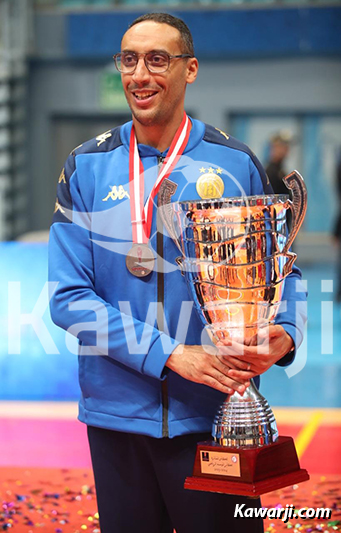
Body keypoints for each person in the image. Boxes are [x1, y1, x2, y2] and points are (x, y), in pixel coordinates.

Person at [49, 13, 307, 533]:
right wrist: (169, 355)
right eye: (129, 59)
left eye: (157, 59)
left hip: (214, 418)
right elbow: (69, 298)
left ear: (190, 70)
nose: (140, 74)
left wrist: (288, 332)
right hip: (116, 422)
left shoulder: (233, 163)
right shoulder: (86, 166)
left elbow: (283, 272)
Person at [265, 131, 292, 195]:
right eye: (282, 146)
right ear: (274, 147)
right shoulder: (270, 172)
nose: (286, 149)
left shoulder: (280, 170)